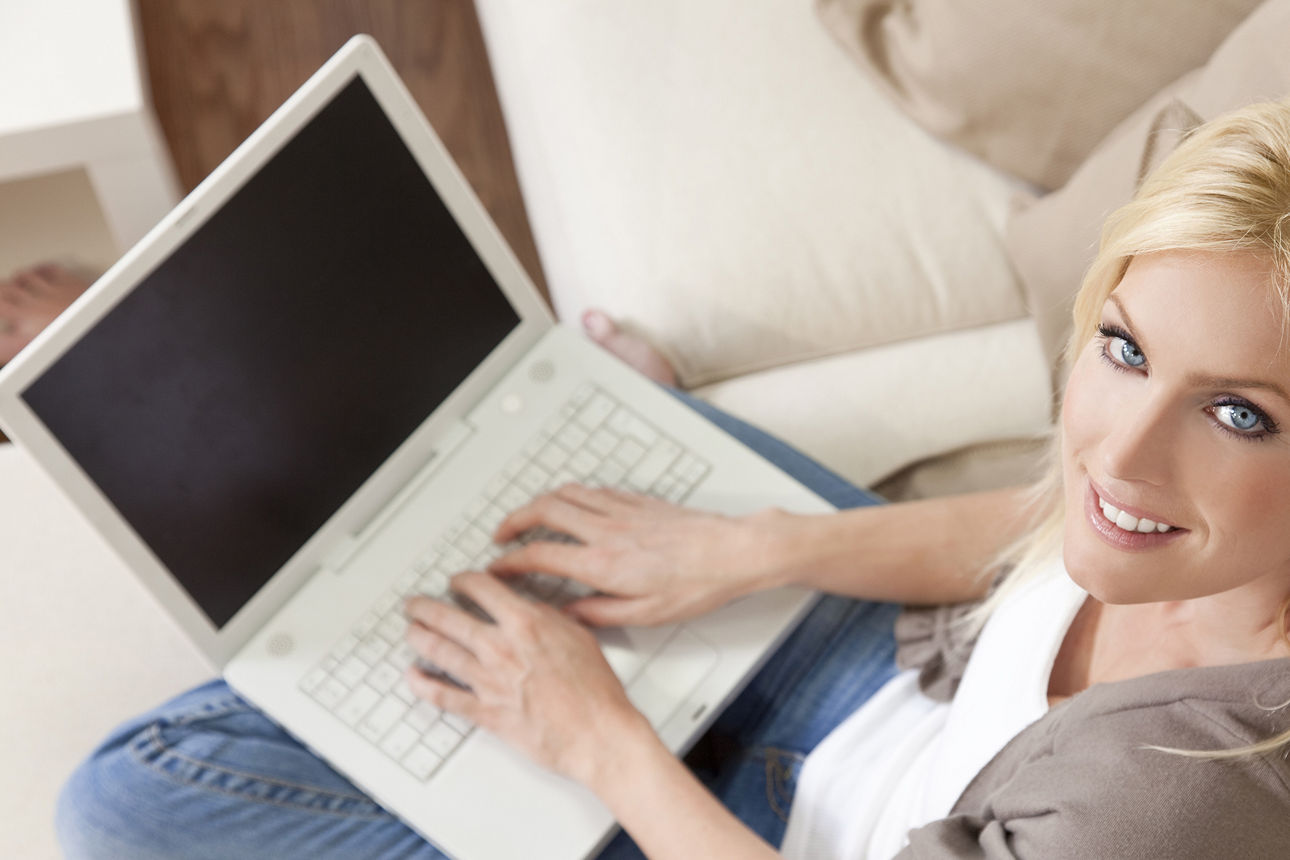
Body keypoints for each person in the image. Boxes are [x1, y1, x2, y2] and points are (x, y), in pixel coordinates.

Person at [55, 98, 1290, 858]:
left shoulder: (1169, 804)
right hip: (902, 673)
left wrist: (601, 741)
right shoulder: (1165, 520)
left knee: (128, 798)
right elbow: (1038, 528)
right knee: (532, 424)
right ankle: (129, 357)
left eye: (1240, 413)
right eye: (1124, 347)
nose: (1117, 453)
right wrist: (754, 546)